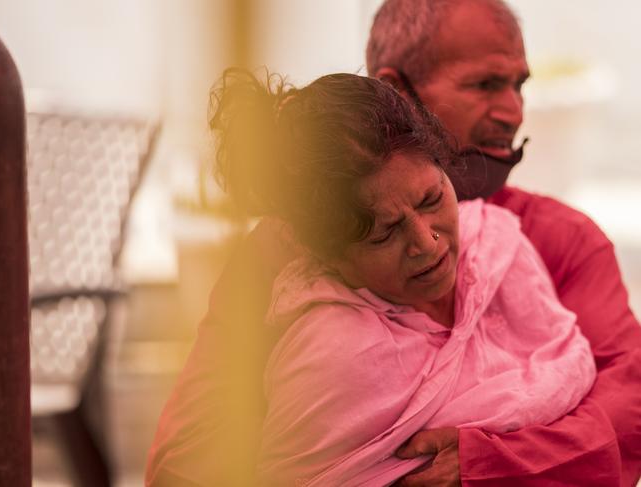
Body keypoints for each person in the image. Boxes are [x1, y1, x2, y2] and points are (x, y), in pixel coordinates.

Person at [147, 0, 641, 485]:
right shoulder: (283, 258)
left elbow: (630, 412)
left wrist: (490, 464)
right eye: (485, 84)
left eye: (519, 85)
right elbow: (190, 455)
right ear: (397, 91)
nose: (514, 112)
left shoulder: (556, 239)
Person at [205, 68, 597, 486]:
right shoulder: (333, 356)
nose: (426, 243)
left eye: (432, 198)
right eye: (385, 233)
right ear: (328, 256)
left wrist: (496, 462)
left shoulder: (500, 251)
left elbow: (602, 398)